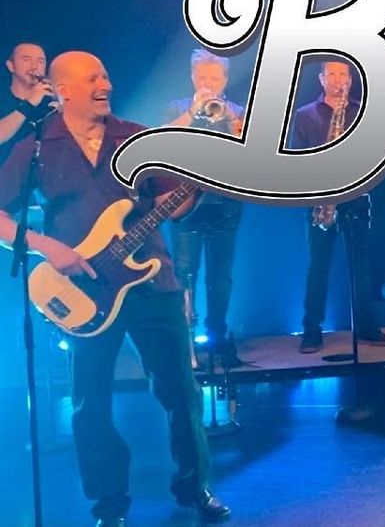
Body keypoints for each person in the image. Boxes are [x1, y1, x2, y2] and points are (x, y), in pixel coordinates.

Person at [0, 51, 229, 526]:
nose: (104, 84)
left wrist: (195, 187)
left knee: (181, 392)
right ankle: (109, 505)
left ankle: (195, 487)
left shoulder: (135, 138)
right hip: (81, 291)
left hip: (152, 282)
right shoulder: (37, 147)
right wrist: (46, 246)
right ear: (64, 90)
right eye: (92, 79)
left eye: (105, 75)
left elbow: (171, 204)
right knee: (91, 405)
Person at [292, 60, 385, 353]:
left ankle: (366, 326)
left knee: (362, 267)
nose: (338, 79)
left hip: (356, 198)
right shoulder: (305, 115)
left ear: (350, 79)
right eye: (332, 74)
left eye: (343, 74)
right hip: (321, 199)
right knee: (318, 267)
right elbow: (296, 157)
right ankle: (312, 331)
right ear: (321, 79)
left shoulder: (362, 112)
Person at [164, 49, 246, 365]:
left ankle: (217, 336)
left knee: (221, 277)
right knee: (184, 275)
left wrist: (230, 118)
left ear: (225, 80)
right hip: (184, 206)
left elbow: (251, 149)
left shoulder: (236, 111)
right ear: (192, 78)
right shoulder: (177, 108)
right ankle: (184, 342)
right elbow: (164, 141)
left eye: (214, 78)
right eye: (202, 77)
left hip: (226, 204)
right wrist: (193, 112)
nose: (209, 83)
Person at [0, 42, 55, 157]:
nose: (34, 67)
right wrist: (29, 103)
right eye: (26, 59)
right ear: (11, 66)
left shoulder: (51, 104)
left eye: (40, 61)